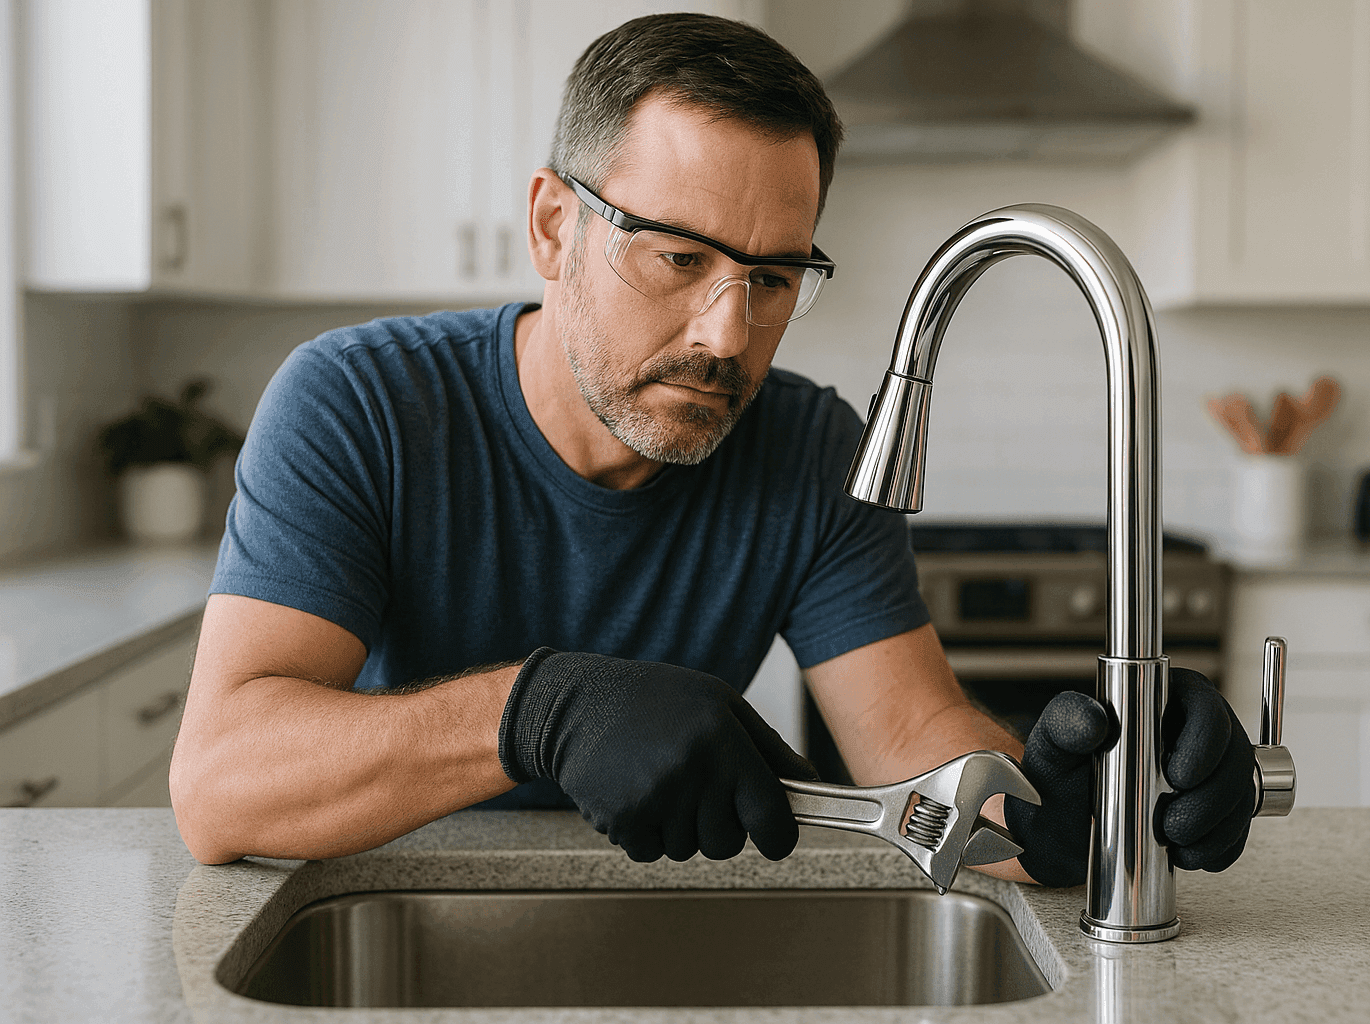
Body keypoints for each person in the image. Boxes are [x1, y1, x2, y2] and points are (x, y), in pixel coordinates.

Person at [169, 13, 1254, 885]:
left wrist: (1084, 801)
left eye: (773, 278)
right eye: (679, 256)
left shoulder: (810, 446)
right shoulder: (358, 402)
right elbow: (220, 785)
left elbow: (913, 739)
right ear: (554, 226)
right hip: (384, 910)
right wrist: (541, 713)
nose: (727, 334)